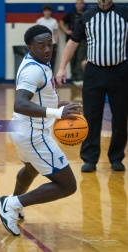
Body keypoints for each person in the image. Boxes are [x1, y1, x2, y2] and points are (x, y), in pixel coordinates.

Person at [0, 25, 82, 236]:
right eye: (40, 46)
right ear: (30, 47)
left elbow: (39, 97)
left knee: (31, 169)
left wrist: (58, 104)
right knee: (68, 185)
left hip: (20, 129)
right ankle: (12, 204)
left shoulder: (38, 62)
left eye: (49, 44)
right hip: (33, 135)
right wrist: (58, 114)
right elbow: (20, 103)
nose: (47, 50)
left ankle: (14, 206)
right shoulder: (34, 70)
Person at [56, 0, 128, 172]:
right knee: (91, 116)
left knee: (120, 117)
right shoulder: (87, 16)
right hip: (94, 73)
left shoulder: (124, 13)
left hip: (120, 72)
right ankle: (90, 159)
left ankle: (116, 158)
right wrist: (61, 67)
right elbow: (73, 42)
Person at [59, 0, 86, 88]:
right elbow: (61, 22)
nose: (79, 5)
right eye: (77, 4)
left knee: (80, 59)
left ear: (83, 5)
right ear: (75, 5)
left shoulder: (86, 14)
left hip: (83, 41)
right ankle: (74, 79)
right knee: (72, 60)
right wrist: (66, 31)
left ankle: (79, 79)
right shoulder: (70, 14)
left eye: (80, 3)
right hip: (71, 41)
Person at [36, 4, 58, 73]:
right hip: (41, 44)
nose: (47, 12)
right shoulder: (39, 21)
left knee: (51, 62)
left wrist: (56, 43)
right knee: (41, 61)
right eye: (46, 11)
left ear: (51, 12)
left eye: (49, 11)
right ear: (43, 12)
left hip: (51, 44)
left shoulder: (54, 21)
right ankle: (42, 77)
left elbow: (56, 33)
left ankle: (50, 78)